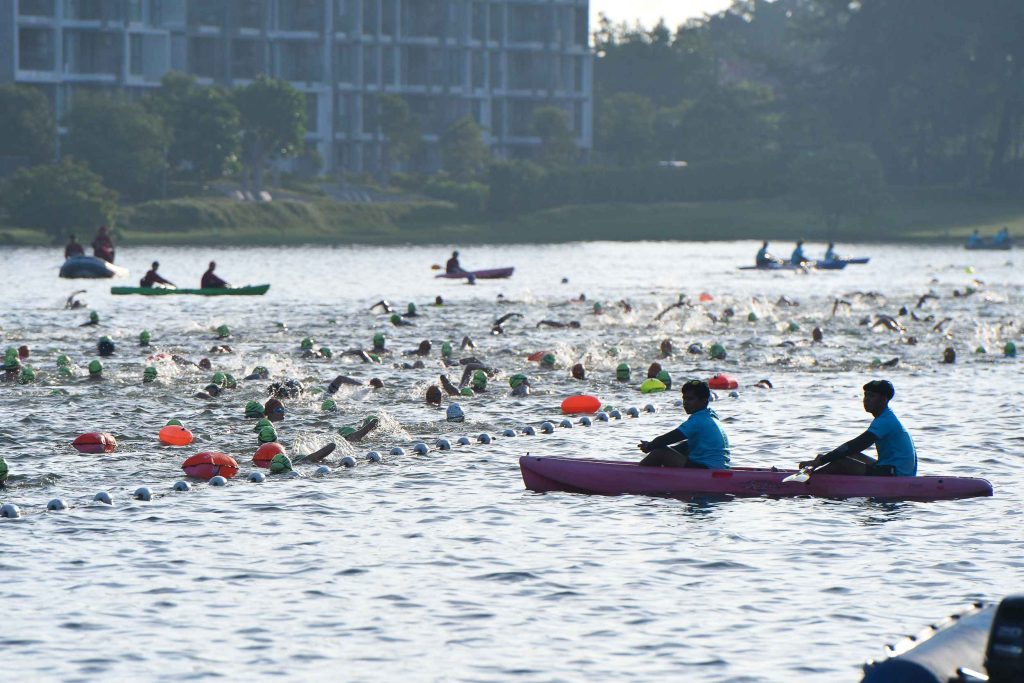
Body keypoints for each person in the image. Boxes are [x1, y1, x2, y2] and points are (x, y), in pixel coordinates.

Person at [799, 380, 917, 476]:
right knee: (848, 455)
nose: (866, 399)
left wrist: (821, 461)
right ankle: (817, 475)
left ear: (884, 399)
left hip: (896, 474)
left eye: (872, 396)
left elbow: (855, 445)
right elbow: (851, 450)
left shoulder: (885, 421)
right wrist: (825, 459)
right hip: (889, 467)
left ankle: (810, 480)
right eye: (865, 395)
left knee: (842, 462)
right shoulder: (886, 416)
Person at [637, 379, 730, 470]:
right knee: (664, 449)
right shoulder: (711, 416)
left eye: (690, 399)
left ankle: (636, 475)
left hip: (707, 472)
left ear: (704, 401)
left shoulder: (698, 420)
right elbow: (687, 446)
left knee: (660, 452)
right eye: (684, 398)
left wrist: (650, 446)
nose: (685, 403)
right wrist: (666, 450)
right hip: (718, 470)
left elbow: (669, 438)